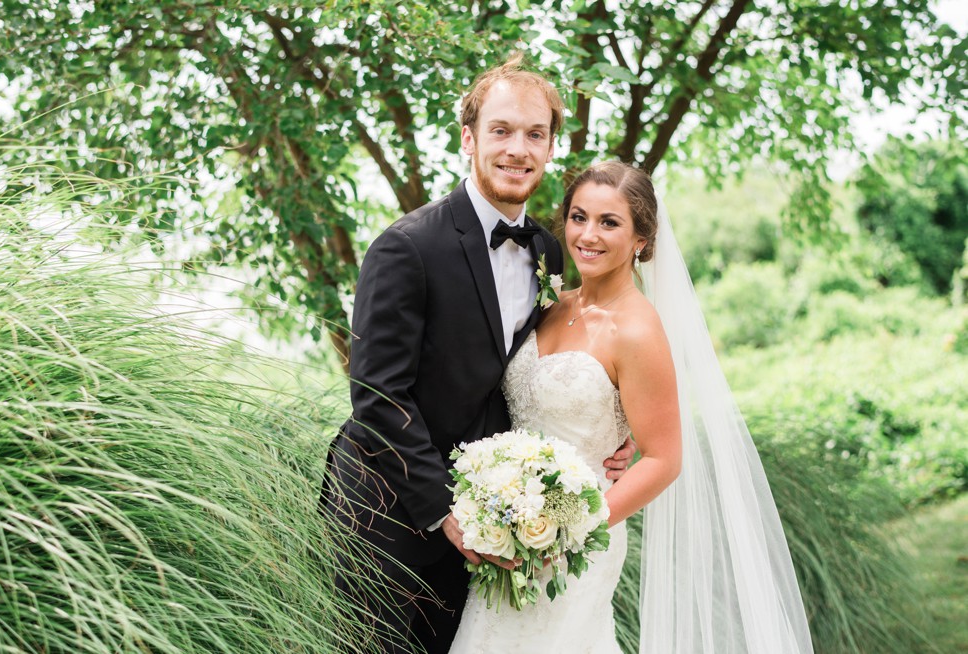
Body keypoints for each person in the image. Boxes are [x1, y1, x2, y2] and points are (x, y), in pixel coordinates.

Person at [322, 57, 635, 654]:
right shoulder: (405, 247)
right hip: (388, 517)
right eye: (501, 130)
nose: (518, 149)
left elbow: (547, 367)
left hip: (497, 523)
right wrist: (446, 510)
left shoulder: (548, 248)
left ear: (549, 148)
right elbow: (378, 397)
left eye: (535, 134)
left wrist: (610, 431)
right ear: (468, 138)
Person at [448, 161, 815, 653]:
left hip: (579, 539)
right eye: (579, 217)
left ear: (642, 239)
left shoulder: (638, 330)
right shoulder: (552, 303)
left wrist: (568, 533)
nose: (588, 235)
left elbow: (664, 460)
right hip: (509, 530)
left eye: (609, 222)